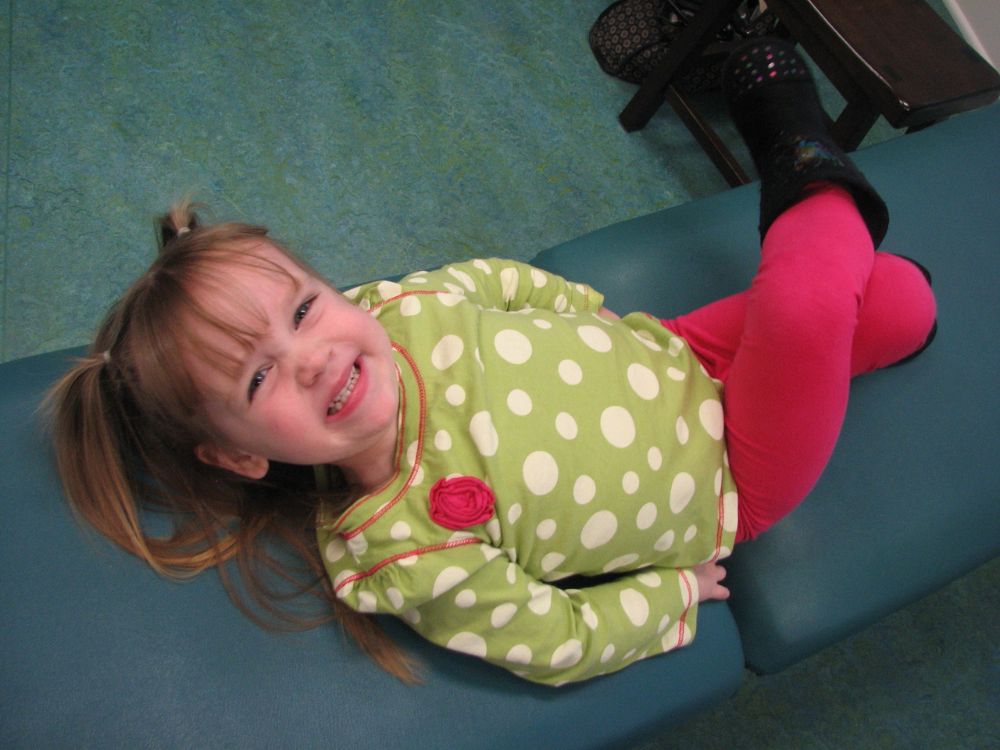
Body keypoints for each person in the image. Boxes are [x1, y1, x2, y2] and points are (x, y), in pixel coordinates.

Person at [47, 39, 936, 686]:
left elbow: (502, 283)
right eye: (258, 379)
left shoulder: (399, 309)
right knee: (809, 302)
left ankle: (898, 311)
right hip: (729, 476)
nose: (312, 358)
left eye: (305, 308)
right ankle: (800, 149)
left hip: (673, 349)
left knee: (895, 301)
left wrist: (589, 318)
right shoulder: (400, 547)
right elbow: (553, 639)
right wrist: (663, 600)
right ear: (241, 455)